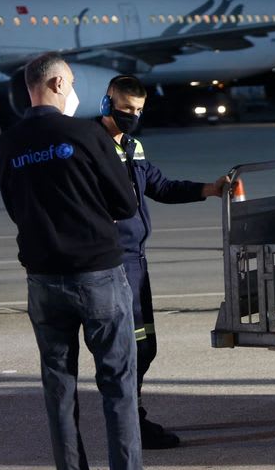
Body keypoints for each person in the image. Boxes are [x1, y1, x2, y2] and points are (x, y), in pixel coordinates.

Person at [0, 53, 141, 468]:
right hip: (98, 275)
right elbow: (125, 204)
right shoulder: (86, 134)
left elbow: (15, 208)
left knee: (58, 387)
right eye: (72, 83)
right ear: (57, 84)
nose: (74, 91)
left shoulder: (7, 144)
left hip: (43, 278)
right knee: (117, 384)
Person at [98, 75, 230, 449]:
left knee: (144, 347)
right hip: (111, 263)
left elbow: (161, 186)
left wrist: (209, 189)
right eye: (126, 108)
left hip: (136, 261)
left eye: (139, 110)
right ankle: (128, 427)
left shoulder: (133, 147)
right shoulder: (91, 145)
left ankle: (132, 418)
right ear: (107, 103)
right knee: (125, 349)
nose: (132, 116)